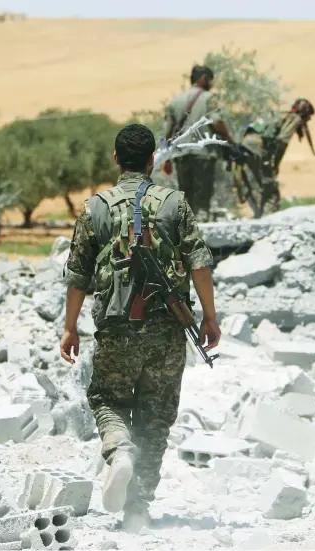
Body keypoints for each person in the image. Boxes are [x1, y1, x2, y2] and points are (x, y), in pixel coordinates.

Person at [60, 123, 222, 532]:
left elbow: (77, 275)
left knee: (105, 398)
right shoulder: (174, 204)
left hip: (115, 331)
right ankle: (138, 511)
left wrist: (69, 328)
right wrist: (209, 316)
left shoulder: (95, 208)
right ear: (153, 160)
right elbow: (200, 263)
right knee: (155, 417)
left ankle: (118, 451)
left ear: (117, 159)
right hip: (167, 331)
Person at [162, 64, 236, 222]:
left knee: (186, 194)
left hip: (181, 154)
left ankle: (186, 230)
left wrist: (166, 158)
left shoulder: (176, 101)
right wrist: (230, 141)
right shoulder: (209, 98)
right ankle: (201, 229)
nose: (211, 84)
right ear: (203, 79)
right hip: (204, 153)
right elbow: (217, 123)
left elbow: (167, 132)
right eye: (210, 80)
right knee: (203, 196)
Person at [240, 98, 315, 215]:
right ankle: (268, 218)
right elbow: (282, 141)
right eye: (308, 117)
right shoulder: (294, 118)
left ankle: (258, 213)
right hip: (259, 147)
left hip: (245, 145)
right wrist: (275, 164)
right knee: (271, 189)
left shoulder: (278, 115)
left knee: (254, 183)